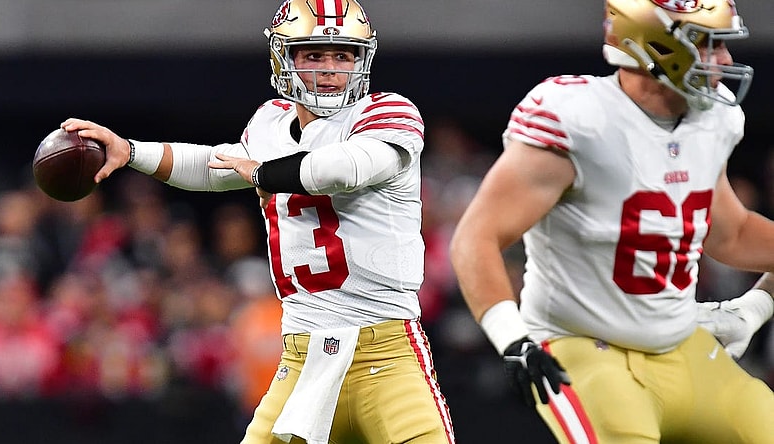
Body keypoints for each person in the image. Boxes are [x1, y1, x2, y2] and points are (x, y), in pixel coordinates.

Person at [59, 0, 455, 443]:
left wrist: (263, 173)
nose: (330, 69)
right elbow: (213, 165)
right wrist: (131, 150)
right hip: (302, 361)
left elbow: (343, 169)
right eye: (314, 55)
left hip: (386, 356)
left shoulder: (387, 114)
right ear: (283, 59)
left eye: (343, 55)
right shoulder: (270, 124)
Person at [449, 1, 774, 443]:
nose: (725, 60)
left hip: (681, 342)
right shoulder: (579, 118)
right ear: (655, 45)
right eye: (707, 44)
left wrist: (756, 307)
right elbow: (476, 237)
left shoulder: (714, 120)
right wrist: (511, 338)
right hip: (584, 348)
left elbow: (730, 234)